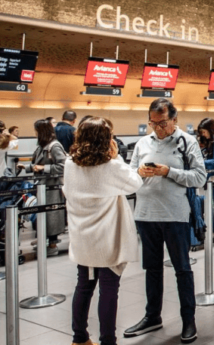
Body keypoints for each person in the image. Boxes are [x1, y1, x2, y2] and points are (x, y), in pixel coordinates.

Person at [124, 98, 206, 344]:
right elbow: (130, 175)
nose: (157, 128)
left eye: (162, 123)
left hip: (175, 216)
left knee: (182, 269)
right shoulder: (142, 143)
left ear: (174, 120)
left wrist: (168, 172)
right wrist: (139, 173)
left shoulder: (187, 142)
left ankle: (188, 319)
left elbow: (199, 177)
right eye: (153, 123)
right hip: (146, 215)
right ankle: (152, 316)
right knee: (152, 269)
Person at [63, 117, 143, 345]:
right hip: (108, 238)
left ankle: (79, 338)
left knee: (84, 286)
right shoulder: (111, 166)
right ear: (106, 140)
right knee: (109, 288)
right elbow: (135, 183)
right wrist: (117, 157)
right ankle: (108, 340)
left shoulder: (70, 164)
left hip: (82, 236)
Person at [19, 119, 67, 256]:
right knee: (43, 216)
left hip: (52, 187)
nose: (34, 133)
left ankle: (52, 245)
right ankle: (44, 240)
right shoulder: (42, 146)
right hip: (43, 186)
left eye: (36, 130)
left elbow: (63, 166)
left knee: (52, 217)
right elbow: (36, 164)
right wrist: (27, 167)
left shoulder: (54, 146)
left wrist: (43, 168)